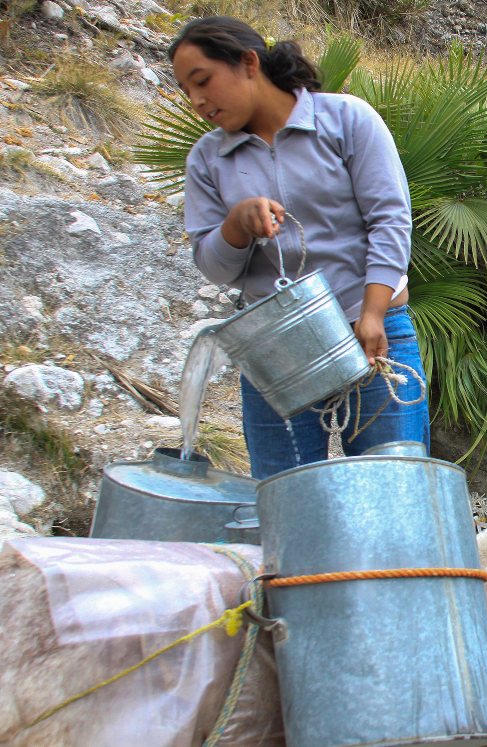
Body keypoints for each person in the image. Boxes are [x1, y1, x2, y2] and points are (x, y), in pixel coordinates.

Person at [169, 16, 429, 479]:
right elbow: (214, 267)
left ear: (249, 63)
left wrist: (372, 313)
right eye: (186, 91)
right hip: (276, 352)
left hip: (373, 336)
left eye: (202, 81)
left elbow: (390, 220)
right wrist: (235, 226)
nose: (196, 101)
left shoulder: (346, 119)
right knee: (286, 500)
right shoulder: (207, 160)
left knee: (396, 493)